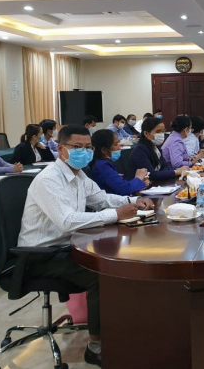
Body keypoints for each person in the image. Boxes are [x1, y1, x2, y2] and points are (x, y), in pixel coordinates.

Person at [17, 124, 155, 366]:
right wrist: (116, 214)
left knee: (118, 259)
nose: (84, 152)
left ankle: (119, 330)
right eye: (77, 147)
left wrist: (133, 201)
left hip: (66, 246)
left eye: (88, 147)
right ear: (61, 149)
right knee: (102, 274)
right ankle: (96, 346)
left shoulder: (79, 175)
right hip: (40, 255)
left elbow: (102, 199)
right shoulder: (49, 180)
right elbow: (67, 221)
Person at [89, 129, 149, 195]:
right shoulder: (102, 166)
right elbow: (124, 189)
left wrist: (140, 183)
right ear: (104, 150)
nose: (119, 147)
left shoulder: (104, 163)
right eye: (116, 144)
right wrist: (139, 178)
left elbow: (121, 185)